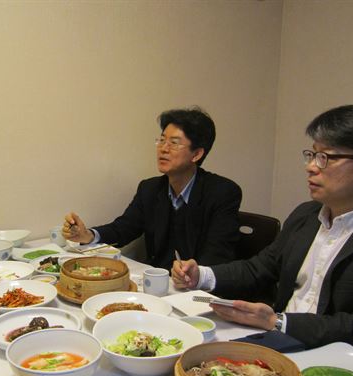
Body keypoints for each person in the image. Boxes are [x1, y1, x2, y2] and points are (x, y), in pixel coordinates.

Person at [172, 104, 353, 369]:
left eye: (326, 158)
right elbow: (262, 267)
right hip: (283, 344)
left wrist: (278, 321)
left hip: (344, 366)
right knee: (182, 353)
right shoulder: (307, 215)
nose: (311, 167)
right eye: (312, 154)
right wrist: (202, 275)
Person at [62, 107, 242, 270]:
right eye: (162, 140)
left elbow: (217, 257)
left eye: (174, 143)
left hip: (197, 293)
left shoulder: (222, 193)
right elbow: (124, 228)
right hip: (159, 284)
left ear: (196, 154)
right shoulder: (150, 189)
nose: (163, 149)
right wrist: (88, 235)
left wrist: (193, 275)